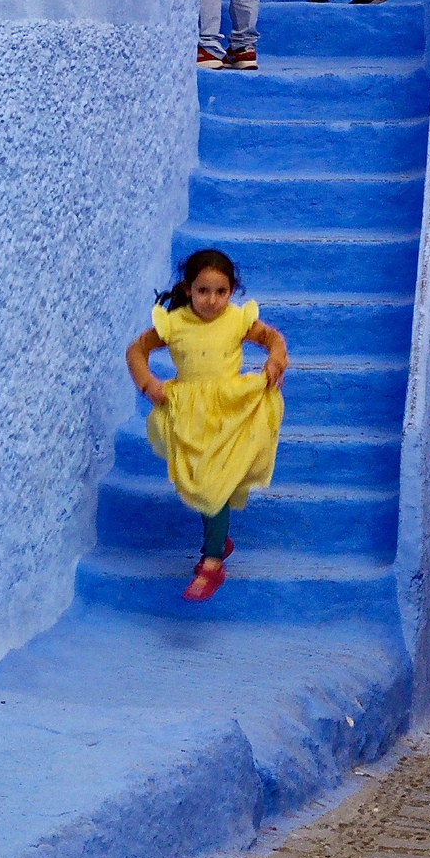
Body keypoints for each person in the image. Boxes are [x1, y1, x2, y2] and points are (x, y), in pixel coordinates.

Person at [125, 248, 288, 602]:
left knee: (217, 485)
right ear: (188, 289)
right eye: (203, 291)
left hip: (230, 411)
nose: (212, 300)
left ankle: (212, 563)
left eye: (221, 292)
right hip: (190, 415)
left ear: (231, 291)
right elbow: (136, 351)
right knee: (202, 482)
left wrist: (275, 360)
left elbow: (273, 339)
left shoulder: (236, 320)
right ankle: (218, 538)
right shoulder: (175, 324)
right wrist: (148, 384)